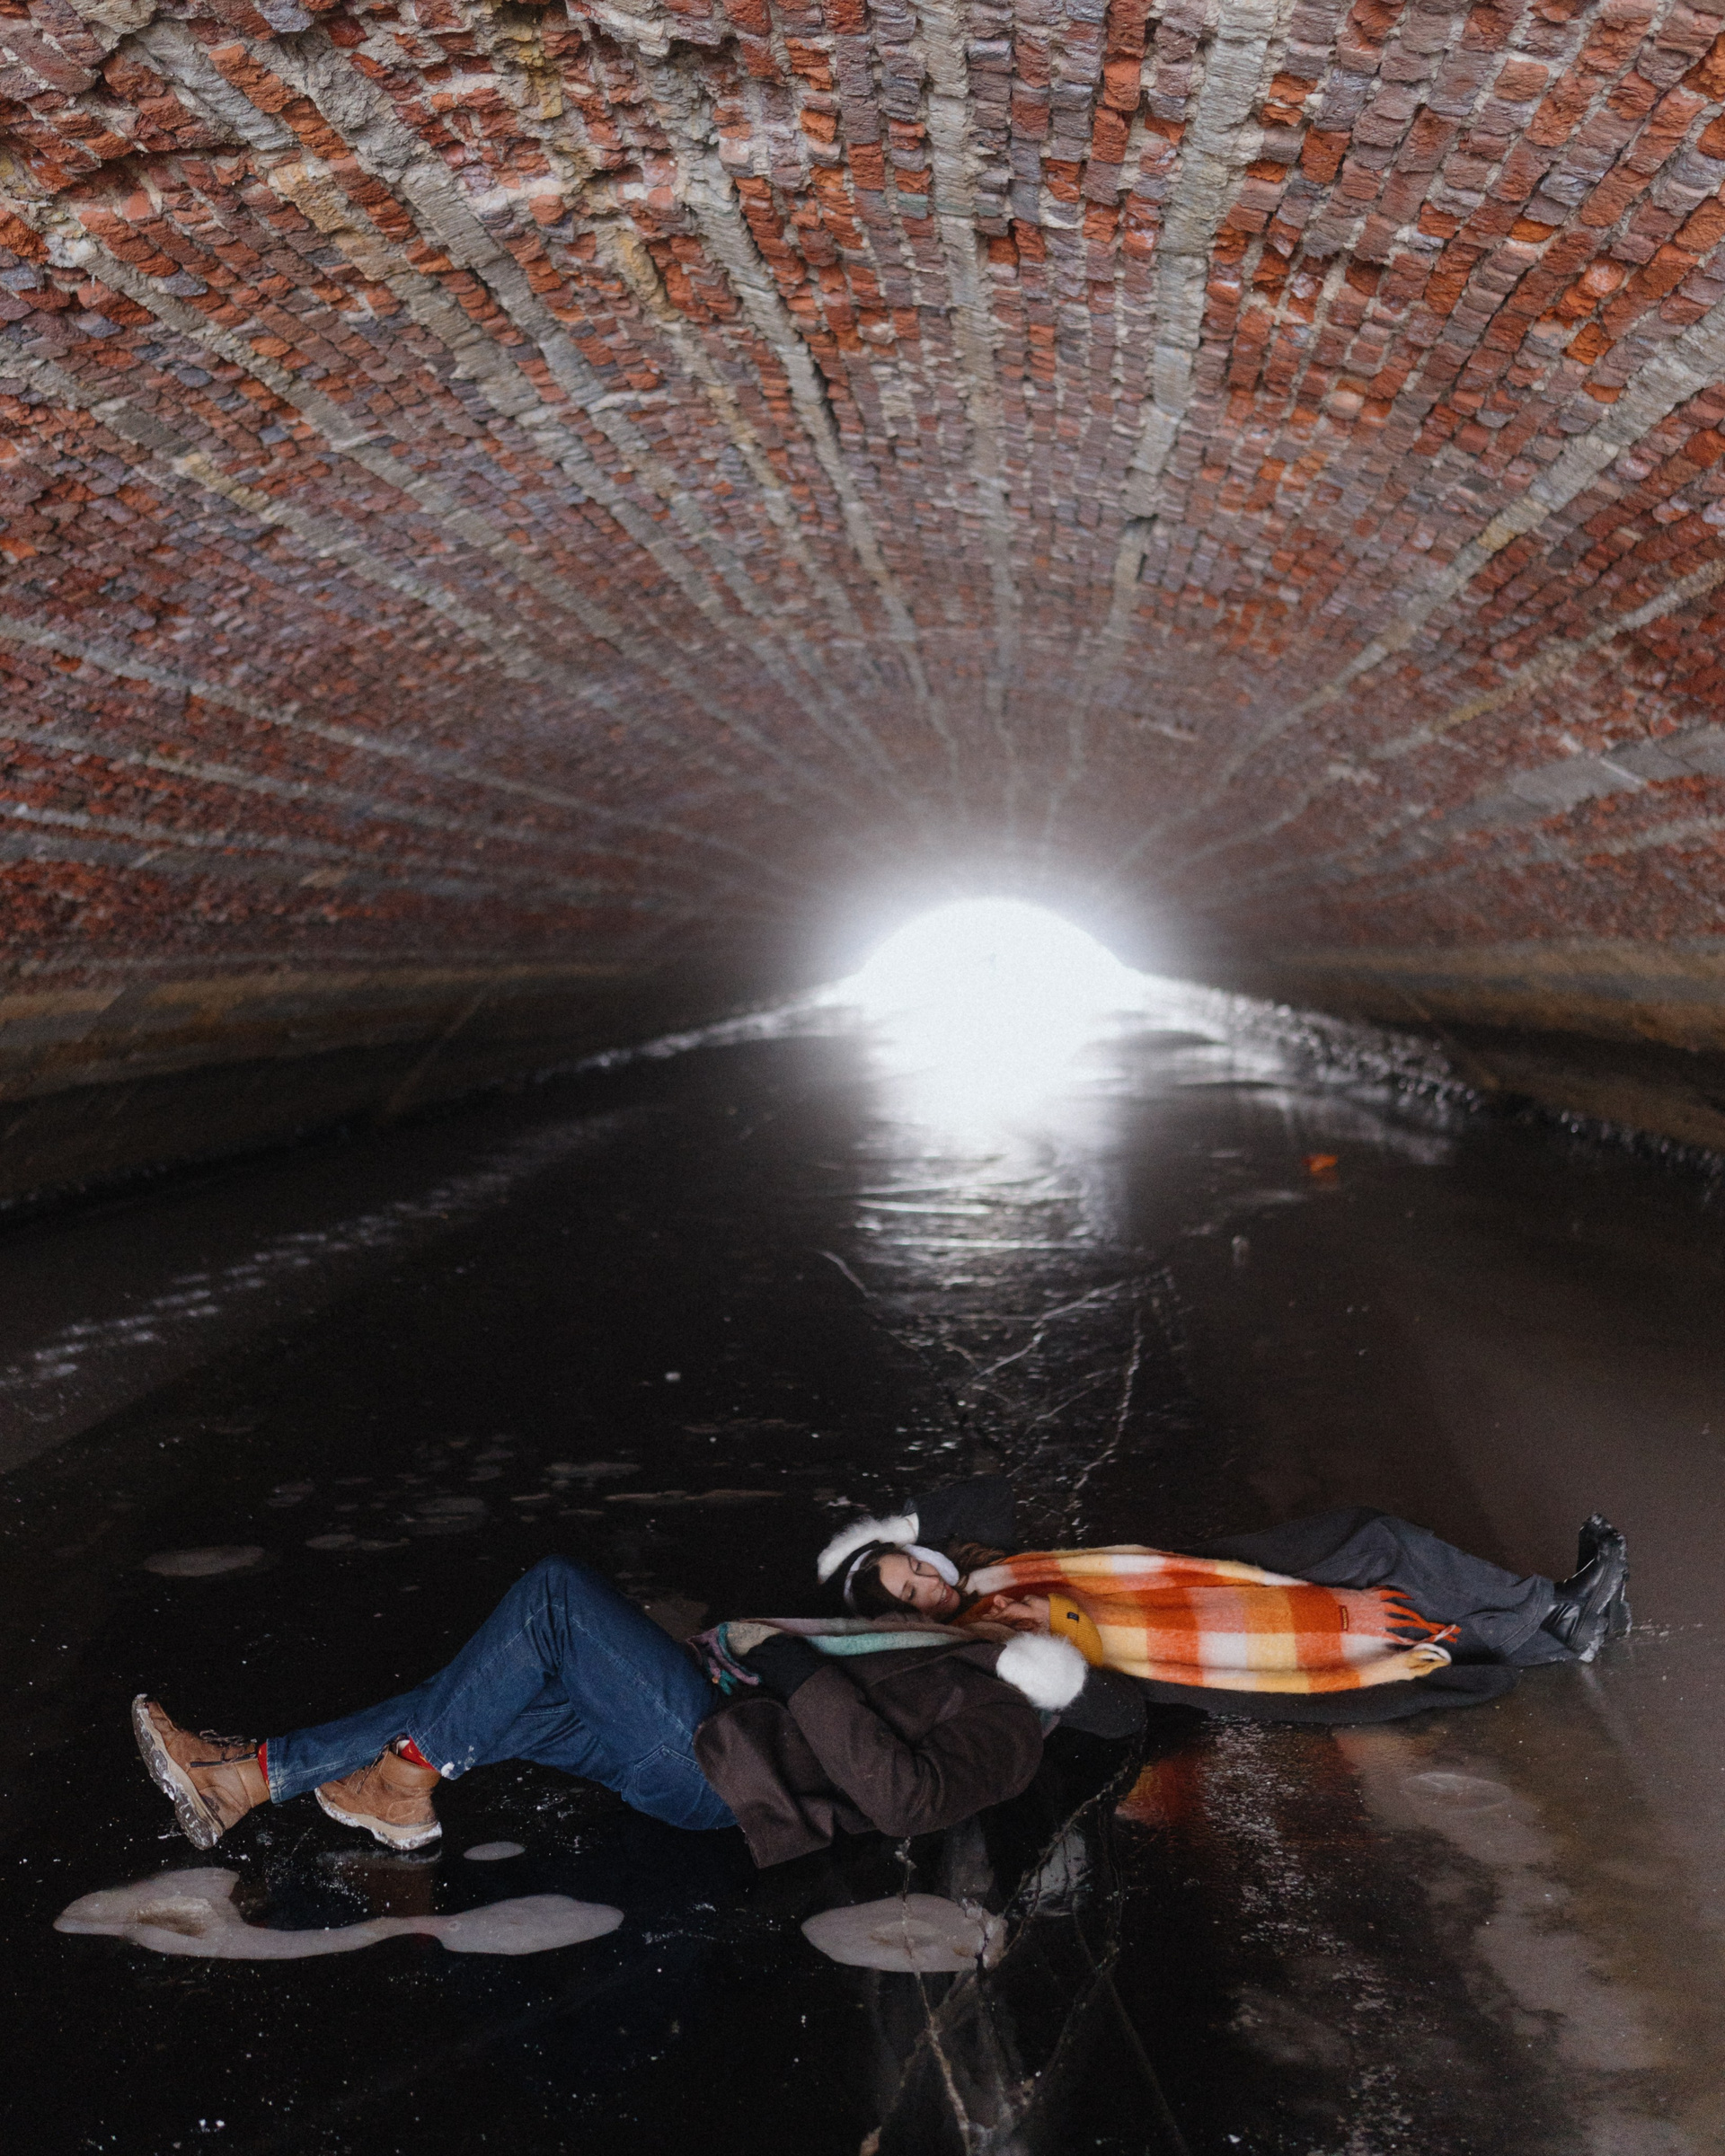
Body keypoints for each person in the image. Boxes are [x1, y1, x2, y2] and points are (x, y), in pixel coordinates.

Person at [131, 1551, 1100, 1866]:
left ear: (1057, 1657)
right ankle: (247, 1779)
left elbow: (906, 1801)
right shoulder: (937, 1647)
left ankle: (405, 1779)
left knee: (552, 1598)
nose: (1011, 1610)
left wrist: (796, 1665)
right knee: (488, 1690)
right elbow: (885, 1569)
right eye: (1016, 1600)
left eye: (1039, 1618)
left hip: (720, 1767)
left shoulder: (1012, 1719)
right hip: (717, 1732)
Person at [816, 1478, 1632, 1726]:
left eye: (914, 1566)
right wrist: (1050, 1653)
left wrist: (893, 1531)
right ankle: (1556, 1617)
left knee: (1377, 1548)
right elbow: (1109, 1711)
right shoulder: (986, 1644)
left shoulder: (987, 1573)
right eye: (912, 1595)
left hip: (1208, 1577)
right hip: (1210, 1647)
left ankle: (1559, 1623)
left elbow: (986, 1497)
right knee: (1385, 1591)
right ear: (908, 1620)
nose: (930, 1583)